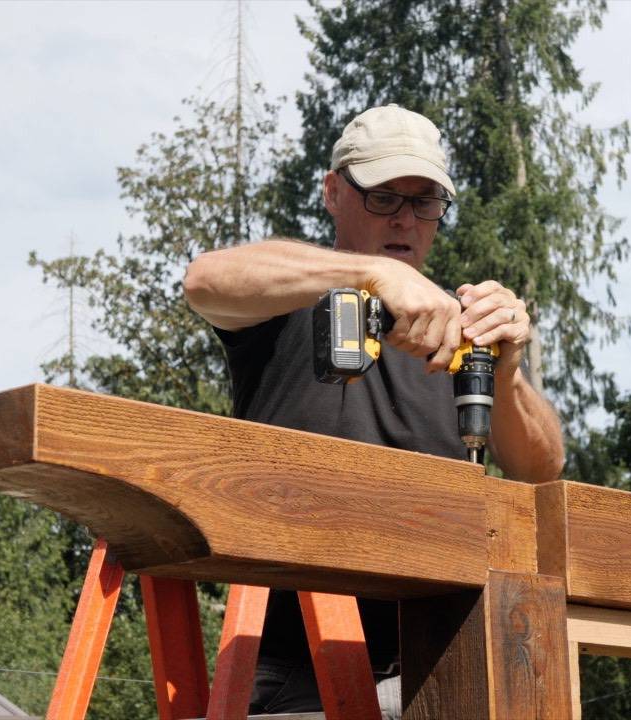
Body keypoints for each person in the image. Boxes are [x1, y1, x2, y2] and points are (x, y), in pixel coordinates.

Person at [183, 104, 564, 717]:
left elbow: (541, 470)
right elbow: (204, 280)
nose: (407, 220)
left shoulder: (460, 331)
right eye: (384, 198)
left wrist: (510, 371)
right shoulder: (292, 294)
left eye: (425, 202)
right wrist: (370, 272)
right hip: (294, 661)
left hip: (442, 656)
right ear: (333, 192)